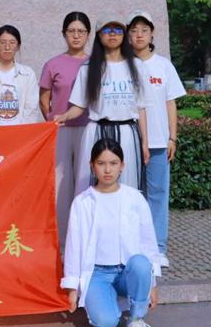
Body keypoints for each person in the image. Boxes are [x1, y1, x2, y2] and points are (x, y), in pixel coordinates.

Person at [62, 138, 161, 327]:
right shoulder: (82, 202)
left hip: (127, 271)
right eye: (101, 163)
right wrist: (72, 288)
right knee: (105, 323)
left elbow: (148, 242)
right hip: (97, 273)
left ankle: (136, 319)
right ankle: (108, 299)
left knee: (141, 263)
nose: (107, 170)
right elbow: (73, 247)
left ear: (122, 166)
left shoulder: (134, 198)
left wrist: (152, 283)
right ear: (92, 166)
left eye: (113, 163)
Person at [54, 16, 150, 195]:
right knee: (92, 184)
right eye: (107, 30)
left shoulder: (137, 66)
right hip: (96, 132)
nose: (112, 34)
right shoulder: (88, 67)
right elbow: (79, 105)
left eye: (117, 30)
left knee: (127, 186)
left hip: (128, 133)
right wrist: (64, 116)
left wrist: (145, 142)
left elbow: (141, 107)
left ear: (124, 34)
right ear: (99, 35)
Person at [128, 11, 185, 268]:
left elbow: (170, 102)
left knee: (158, 194)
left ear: (152, 34)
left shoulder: (163, 65)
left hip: (159, 142)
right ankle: (132, 245)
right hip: (130, 141)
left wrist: (173, 137)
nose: (139, 35)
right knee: (131, 193)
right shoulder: (123, 64)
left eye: (144, 30)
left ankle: (158, 248)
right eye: (134, 30)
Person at [39, 12, 91, 246]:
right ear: (64, 34)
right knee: (61, 185)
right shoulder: (53, 64)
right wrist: (53, 120)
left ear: (88, 35)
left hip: (88, 129)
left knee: (84, 182)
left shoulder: (94, 63)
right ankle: (61, 241)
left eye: (81, 31)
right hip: (60, 131)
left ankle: (82, 237)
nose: (76, 36)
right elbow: (44, 99)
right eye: (71, 31)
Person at [0, 25, 41, 126]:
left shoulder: (27, 73)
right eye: (3, 42)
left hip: (21, 131)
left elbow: (32, 107)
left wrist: (21, 128)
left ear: (18, 46)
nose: (7, 47)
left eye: (12, 42)